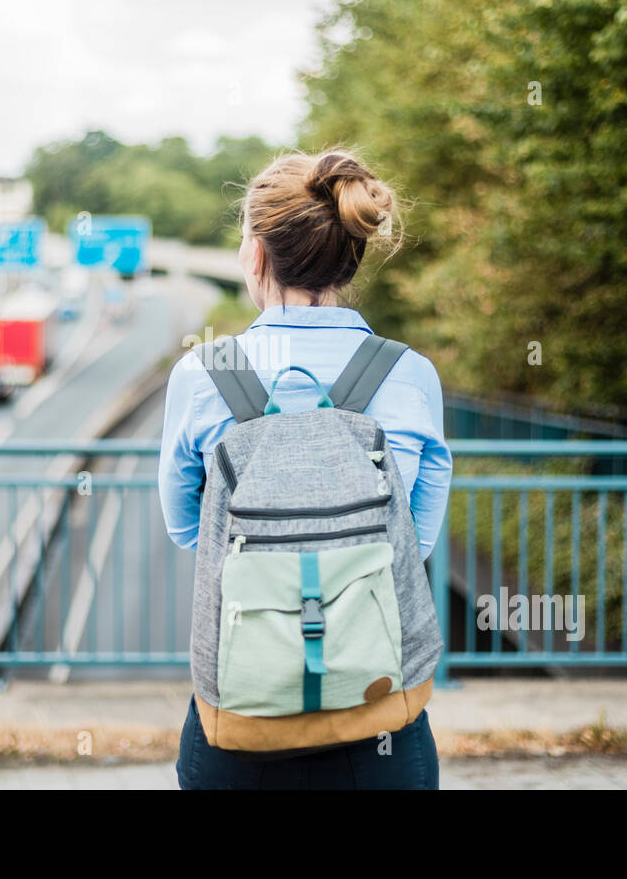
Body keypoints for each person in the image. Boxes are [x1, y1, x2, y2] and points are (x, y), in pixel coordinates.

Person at [158, 148, 452, 789]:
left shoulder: (204, 375)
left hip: (239, 722)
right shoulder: (409, 375)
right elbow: (415, 540)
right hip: (380, 724)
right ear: (353, 255)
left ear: (256, 256)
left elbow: (186, 529)